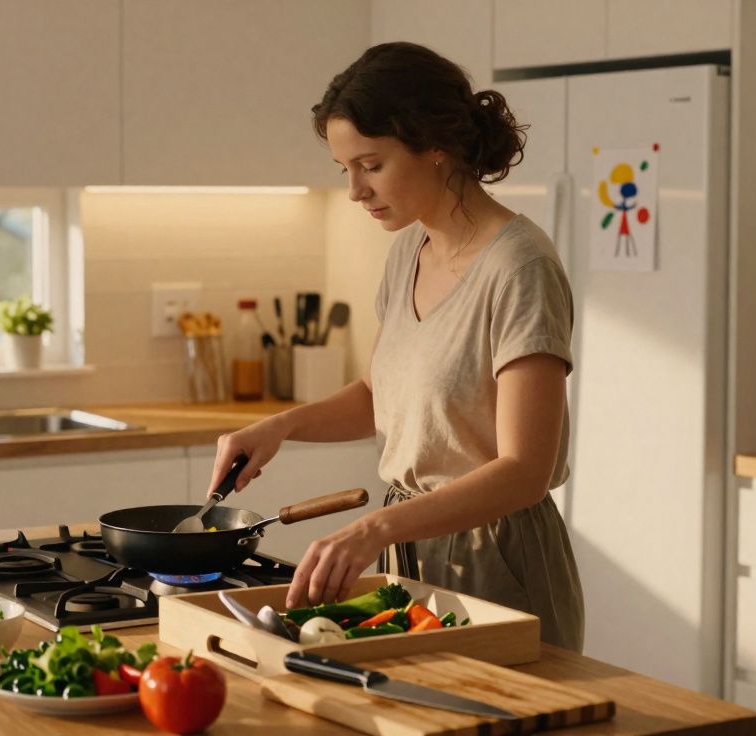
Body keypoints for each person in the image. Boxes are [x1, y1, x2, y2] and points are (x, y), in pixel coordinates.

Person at [207, 42, 584, 651]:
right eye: (344, 169)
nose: (355, 189)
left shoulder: (521, 267)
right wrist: (278, 427)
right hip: (411, 553)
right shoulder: (409, 250)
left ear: (435, 145)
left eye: (371, 164)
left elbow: (525, 472)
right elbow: (378, 395)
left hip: (498, 558)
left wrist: (375, 528)